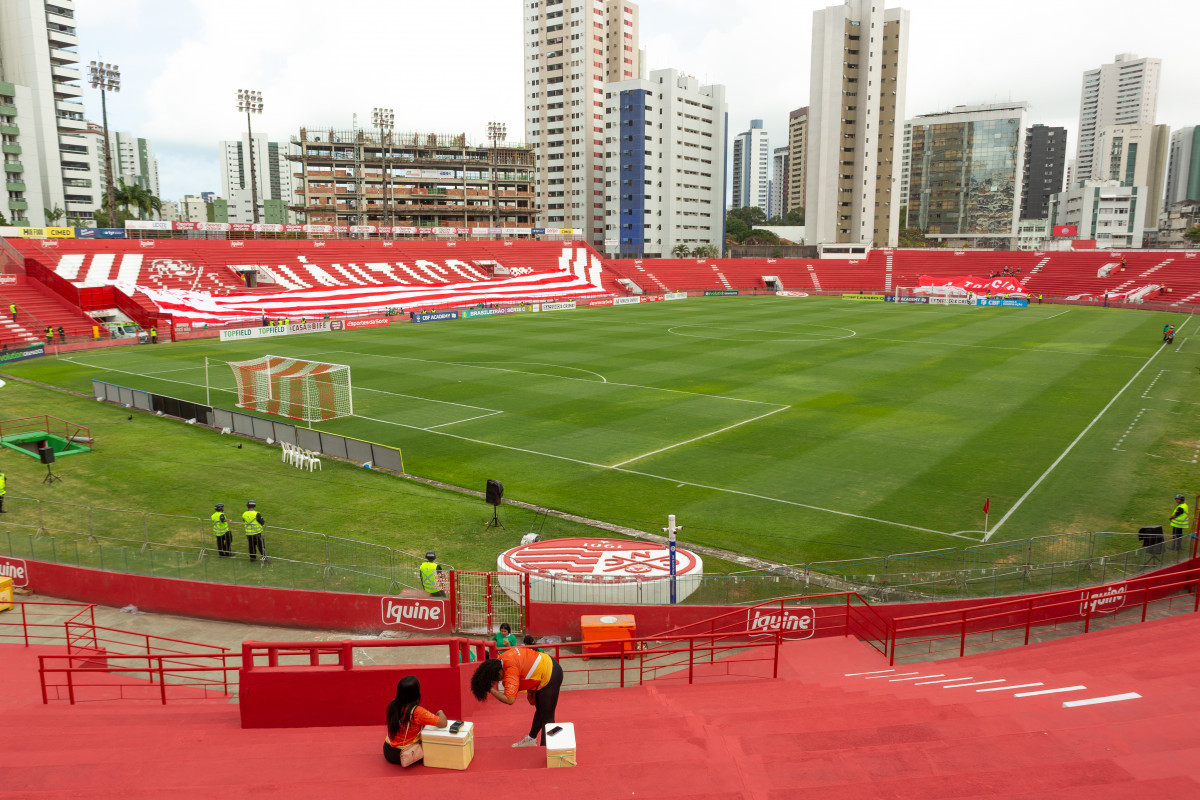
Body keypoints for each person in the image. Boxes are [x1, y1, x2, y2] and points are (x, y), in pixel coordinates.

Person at [471, 645, 564, 747]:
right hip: (544, 666)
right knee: (541, 711)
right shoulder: (501, 659)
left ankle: (547, 750)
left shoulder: (510, 671)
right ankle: (531, 739)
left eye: (498, 678)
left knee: (548, 717)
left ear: (499, 671)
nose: (499, 680)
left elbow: (510, 700)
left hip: (550, 673)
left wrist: (489, 689)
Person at [383, 675, 446, 767]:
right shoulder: (417, 712)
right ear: (416, 693)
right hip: (405, 754)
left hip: (387, 751)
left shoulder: (392, 705)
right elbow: (443, 723)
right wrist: (440, 712)